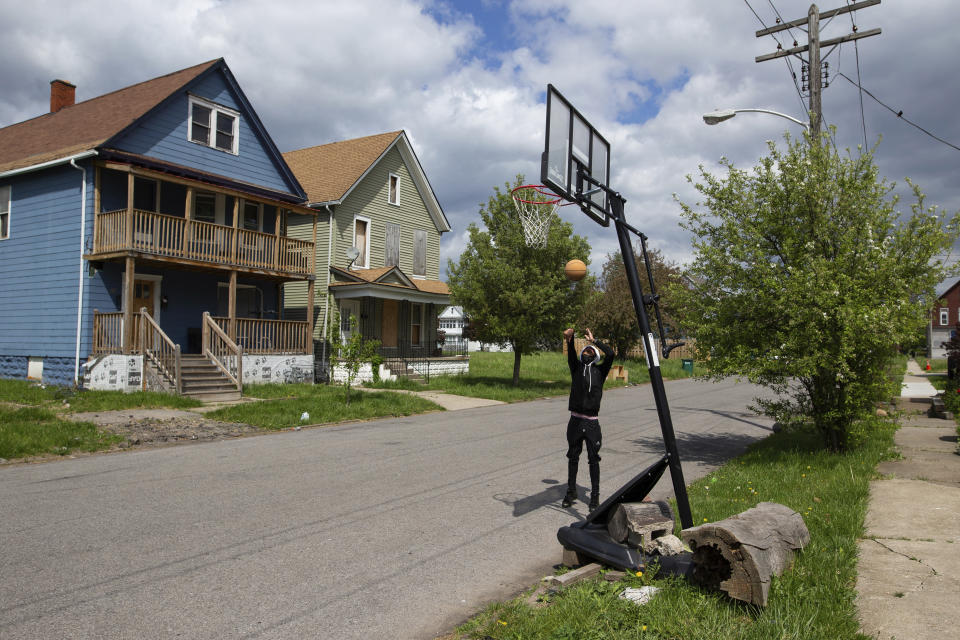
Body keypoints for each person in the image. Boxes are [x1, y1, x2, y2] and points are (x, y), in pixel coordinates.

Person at [562, 327, 614, 511]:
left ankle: (594, 497)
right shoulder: (576, 368)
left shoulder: (600, 372)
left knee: (593, 460)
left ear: (595, 356)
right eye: (585, 351)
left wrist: (594, 341)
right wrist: (570, 339)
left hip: (592, 422)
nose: (587, 353)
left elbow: (611, 353)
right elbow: (571, 355)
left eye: (591, 352)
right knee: (573, 458)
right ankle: (570, 492)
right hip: (575, 421)